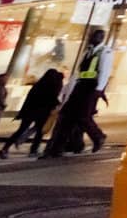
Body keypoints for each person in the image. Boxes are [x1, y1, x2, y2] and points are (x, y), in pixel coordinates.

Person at [45, 30, 112, 158]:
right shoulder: (88, 51)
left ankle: (98, 136)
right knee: (66, 115)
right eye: (90, 36)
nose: (90, 38)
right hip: (80, 85)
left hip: (91, 87)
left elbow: (105, 71)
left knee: (83, 116)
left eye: (94, 36)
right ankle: (57, 147)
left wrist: (98, 89)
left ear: (101, 38)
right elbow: (79, 71)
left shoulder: (104, 51)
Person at [0, 69, 63, 157]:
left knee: (21, 130)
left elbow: (28, 100)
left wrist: (22, 112)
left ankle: (5, 148)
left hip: (29, 111)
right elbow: (53, 100)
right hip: (42, 113)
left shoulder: (37, 85)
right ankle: (33, 150)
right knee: (39, 133)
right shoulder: (51, 88)